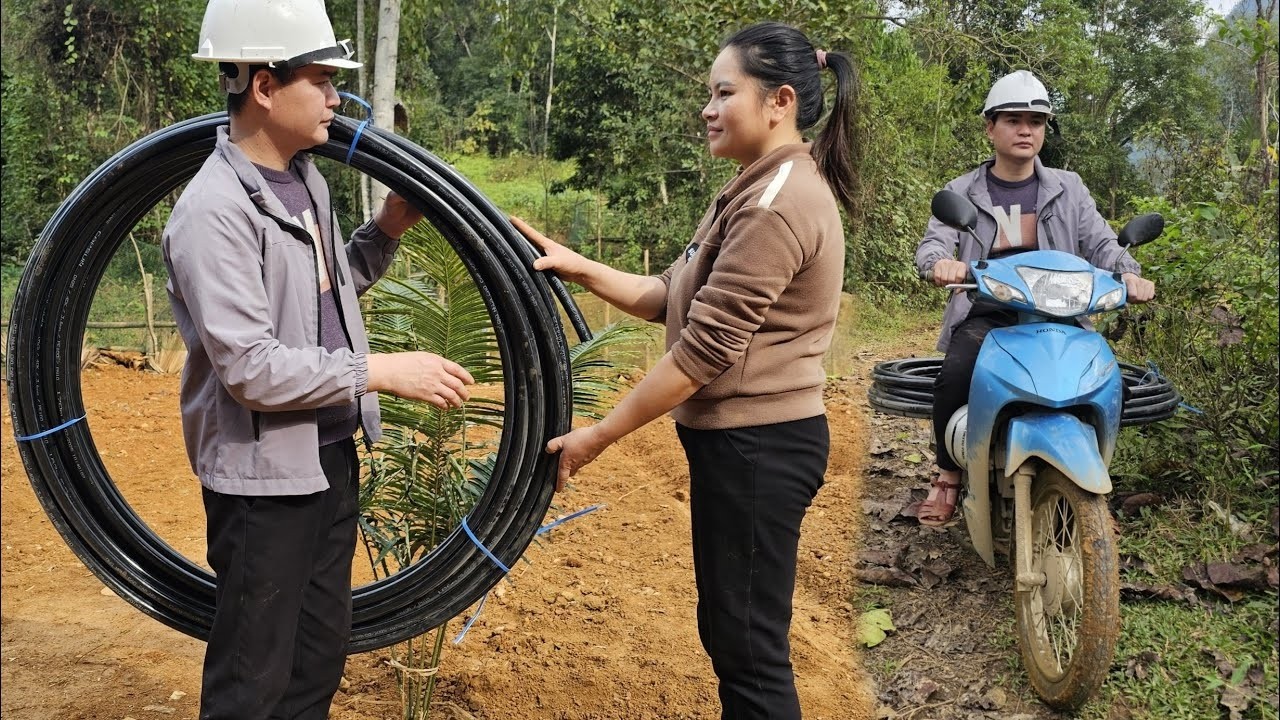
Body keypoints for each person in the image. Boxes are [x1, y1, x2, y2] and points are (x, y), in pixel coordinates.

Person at [511, 21, 858, 720]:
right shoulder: (754, 186)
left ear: (779, 101)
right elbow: (674, 292)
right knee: (733, 636)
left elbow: (702, 352)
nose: (707, 108)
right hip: (746, 445)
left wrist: (599, 435)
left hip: (759, 446)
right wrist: (577, 266)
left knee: (750, 654)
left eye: (724, 92)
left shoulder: (775, 203)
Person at [162, 1, 475, 718]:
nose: (337, 98)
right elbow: (249, 367)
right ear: (265, 87)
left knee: (316, 658)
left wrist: (387, 229)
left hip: (329, 456)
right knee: (254, 675)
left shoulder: (306, 181)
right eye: (322, 80)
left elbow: (321, 292)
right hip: (263, 480)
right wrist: (382, 372)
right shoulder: (214, 212)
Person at [913, 70, 1155, 526]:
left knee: (1104, 379)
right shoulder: (961, 191)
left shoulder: (1070, 187)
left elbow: (1103, 244)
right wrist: (939, 263)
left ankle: (1084, 472)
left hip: (1060, 313)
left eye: (1036, 121)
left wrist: (1129, 273)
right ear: (990, 127)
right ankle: (947, 474)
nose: (1026, 130)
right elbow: (934, 243)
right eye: (1013, 120)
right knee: (957, 373)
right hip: (991, 310)